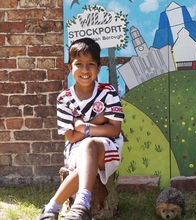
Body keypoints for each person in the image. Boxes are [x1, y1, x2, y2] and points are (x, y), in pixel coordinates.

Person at [39, 37, 124, 220]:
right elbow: (70, 137)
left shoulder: (108, 92)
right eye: (79, 64)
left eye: (91, 64)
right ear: (70, 68)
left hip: (107, 148)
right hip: (75, 150)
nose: (85, 70)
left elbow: (114, 131)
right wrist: (100, 122)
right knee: (85, 156)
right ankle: (54, 208)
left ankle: (75, 205)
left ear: (98, 68)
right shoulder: (64, 99)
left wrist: (83, 127)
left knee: (89, 145)